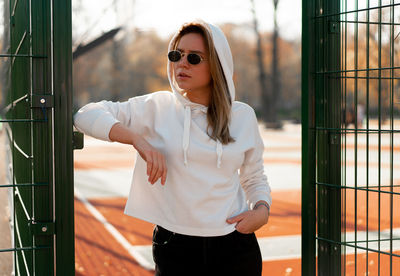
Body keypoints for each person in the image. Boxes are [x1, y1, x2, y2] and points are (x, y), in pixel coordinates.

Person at [74, 20, 272, 276]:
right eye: (176, 55)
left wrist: (262, 210)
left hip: (234, 245)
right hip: (176, 247)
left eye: (194, 58)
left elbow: (254, 176)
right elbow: (84, 114)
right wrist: (137, 140)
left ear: (217, 63)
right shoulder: (157, 107)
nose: (182, 63)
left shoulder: (243, 116)